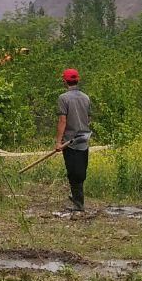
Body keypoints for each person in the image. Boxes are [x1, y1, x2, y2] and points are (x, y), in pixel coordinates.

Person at [54, 68, 92, 211]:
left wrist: (58, 142)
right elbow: (88, 119)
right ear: (78, 80)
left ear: (64, 81)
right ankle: (78, 199)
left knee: (73, 172)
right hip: (84, 139)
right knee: (81, 171)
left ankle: (78, 204)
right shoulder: (86, 97)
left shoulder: (63, 98)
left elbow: (62, 121)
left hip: (70, 142)